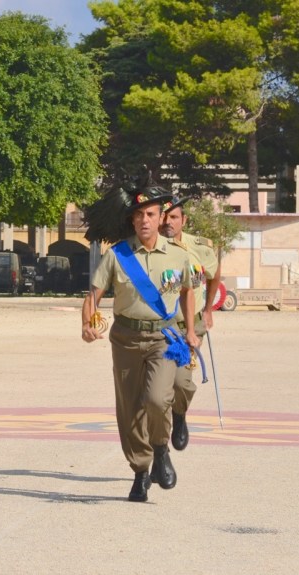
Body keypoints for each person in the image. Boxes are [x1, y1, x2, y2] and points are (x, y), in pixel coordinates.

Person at [81, 181, 198, 503]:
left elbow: (188, 292)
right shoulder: (117, 255)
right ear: (132, 220)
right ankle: (141, 471)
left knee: (158, 400)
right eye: (138, 215)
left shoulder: (178, 256)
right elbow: (94, 295)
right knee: (130, 407)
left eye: (150, 214)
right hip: (126, 338)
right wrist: (88, 324)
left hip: (164, 337)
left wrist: (190, 330)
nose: (144, 220)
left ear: (161, 217)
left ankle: (161, 450)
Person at [161, 196, 220, 451]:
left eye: (173, 217)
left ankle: (179, 415)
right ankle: (158, 442)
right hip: (160, 326)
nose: (167, 222)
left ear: (184, 220)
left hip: (188, 328)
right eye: (163, 217)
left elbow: (214, 273)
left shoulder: (200, 247)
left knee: (182, 382)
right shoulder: (148, 249)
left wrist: (208, 309)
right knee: (157, 386)